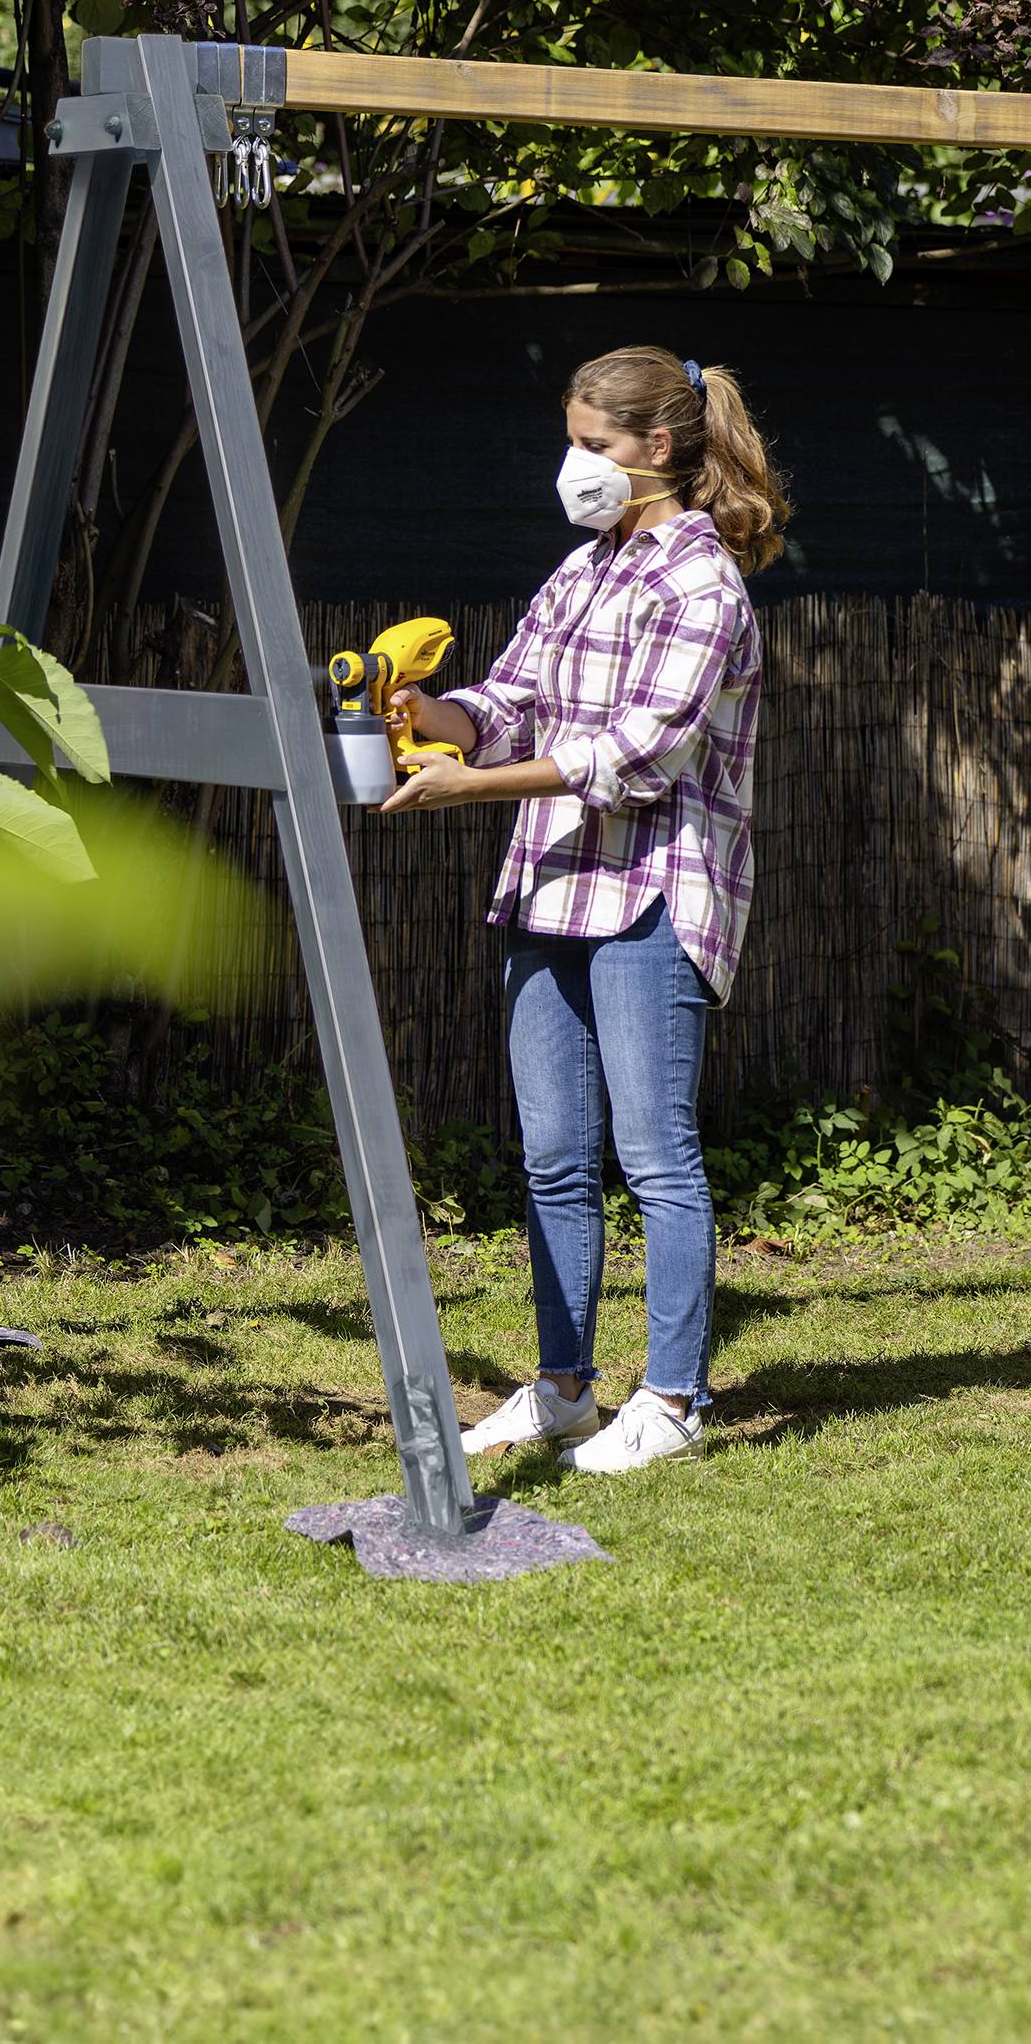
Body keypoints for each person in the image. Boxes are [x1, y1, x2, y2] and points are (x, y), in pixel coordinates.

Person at [377, 347, 782, 1474]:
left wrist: (470, 786)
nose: (577, 466)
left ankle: (673, 1398)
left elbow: (640, 756)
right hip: (552, 882)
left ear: (659, 447)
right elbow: (511, 701)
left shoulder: (703, 586)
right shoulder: (581, 570)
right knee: (554, 1158)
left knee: (658, 1159)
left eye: (595, 446)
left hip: (652, 892)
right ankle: (562, 1390)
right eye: (573, 443)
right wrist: (432, 712)